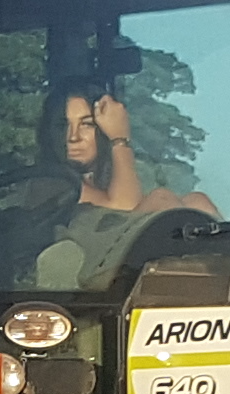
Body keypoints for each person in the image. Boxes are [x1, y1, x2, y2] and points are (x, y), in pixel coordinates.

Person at [24, 88, 216, 288]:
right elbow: (125, 210)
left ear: (103, 129)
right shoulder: (46, 182)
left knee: (198, 202)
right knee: (162, 200)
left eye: (87, 124)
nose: (73, 137)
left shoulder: (112, 178)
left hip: (125, 266)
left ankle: (227, 276)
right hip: (99, 276)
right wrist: (119, 139)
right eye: (62, 126)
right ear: (47, 133)